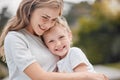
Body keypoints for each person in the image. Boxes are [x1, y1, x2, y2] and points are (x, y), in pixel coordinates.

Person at [0, 0, 109, 80]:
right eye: (45, 17)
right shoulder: (15, 38)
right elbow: (39, 77)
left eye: (53, 20)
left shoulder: (43, 37)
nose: (48, 25)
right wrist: (88, 75)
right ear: (29, 10)